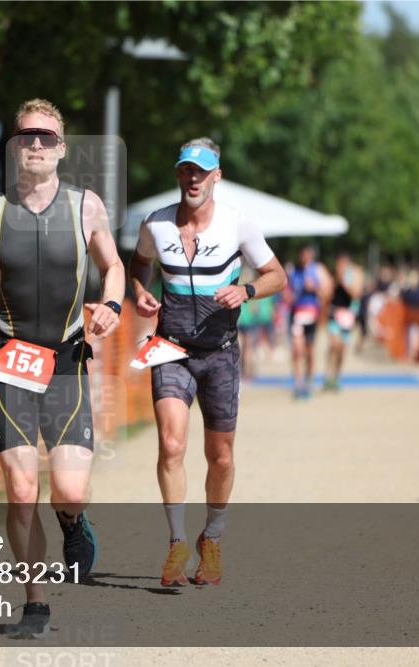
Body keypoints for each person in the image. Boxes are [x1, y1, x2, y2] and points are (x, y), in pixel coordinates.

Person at [0, 99, 125, 637]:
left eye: (47, 137)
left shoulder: (86, 207)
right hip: (11, 359)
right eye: (27, 137)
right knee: (22, 490)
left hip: (67, 359)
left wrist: (112, 305)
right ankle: (35, 603)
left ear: (62, 148)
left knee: (68, 489)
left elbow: (112, 266)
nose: (37, 145)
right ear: (15, 146)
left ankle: (72, 522)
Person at [129, 138, 287, 588]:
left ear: (217, 175)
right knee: (172, 446)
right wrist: (140, 291)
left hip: (220, 354)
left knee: (220, 457)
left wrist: (248, 290)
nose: (192, 179)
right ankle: (178, 542)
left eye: (201, 171)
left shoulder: (238, 225)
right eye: (185, 170)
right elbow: (139, 263)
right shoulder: (156, 225)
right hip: (171, 348)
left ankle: (211, 538)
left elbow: (277, 274)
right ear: (178, 174)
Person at [288, 245, 332, 399]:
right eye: (301, 254)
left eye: (306, 254)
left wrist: (314, 287)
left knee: (309, 350)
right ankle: (298, 383)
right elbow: (287, 294)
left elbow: (327, 294)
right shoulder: (294, 271)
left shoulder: (318, 270)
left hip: (312, 314)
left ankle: (309, 379)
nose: (304, 257)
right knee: (297, 349)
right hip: (297, 315)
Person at [324, 252, 364, 391]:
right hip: (334, 312)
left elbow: (356, 294)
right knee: (334, 344)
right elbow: (327, 295)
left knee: (342, 348)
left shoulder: (354, 274)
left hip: (347, 315)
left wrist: (344, 282)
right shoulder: (333, 274)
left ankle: (336, 376)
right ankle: (328, 375)